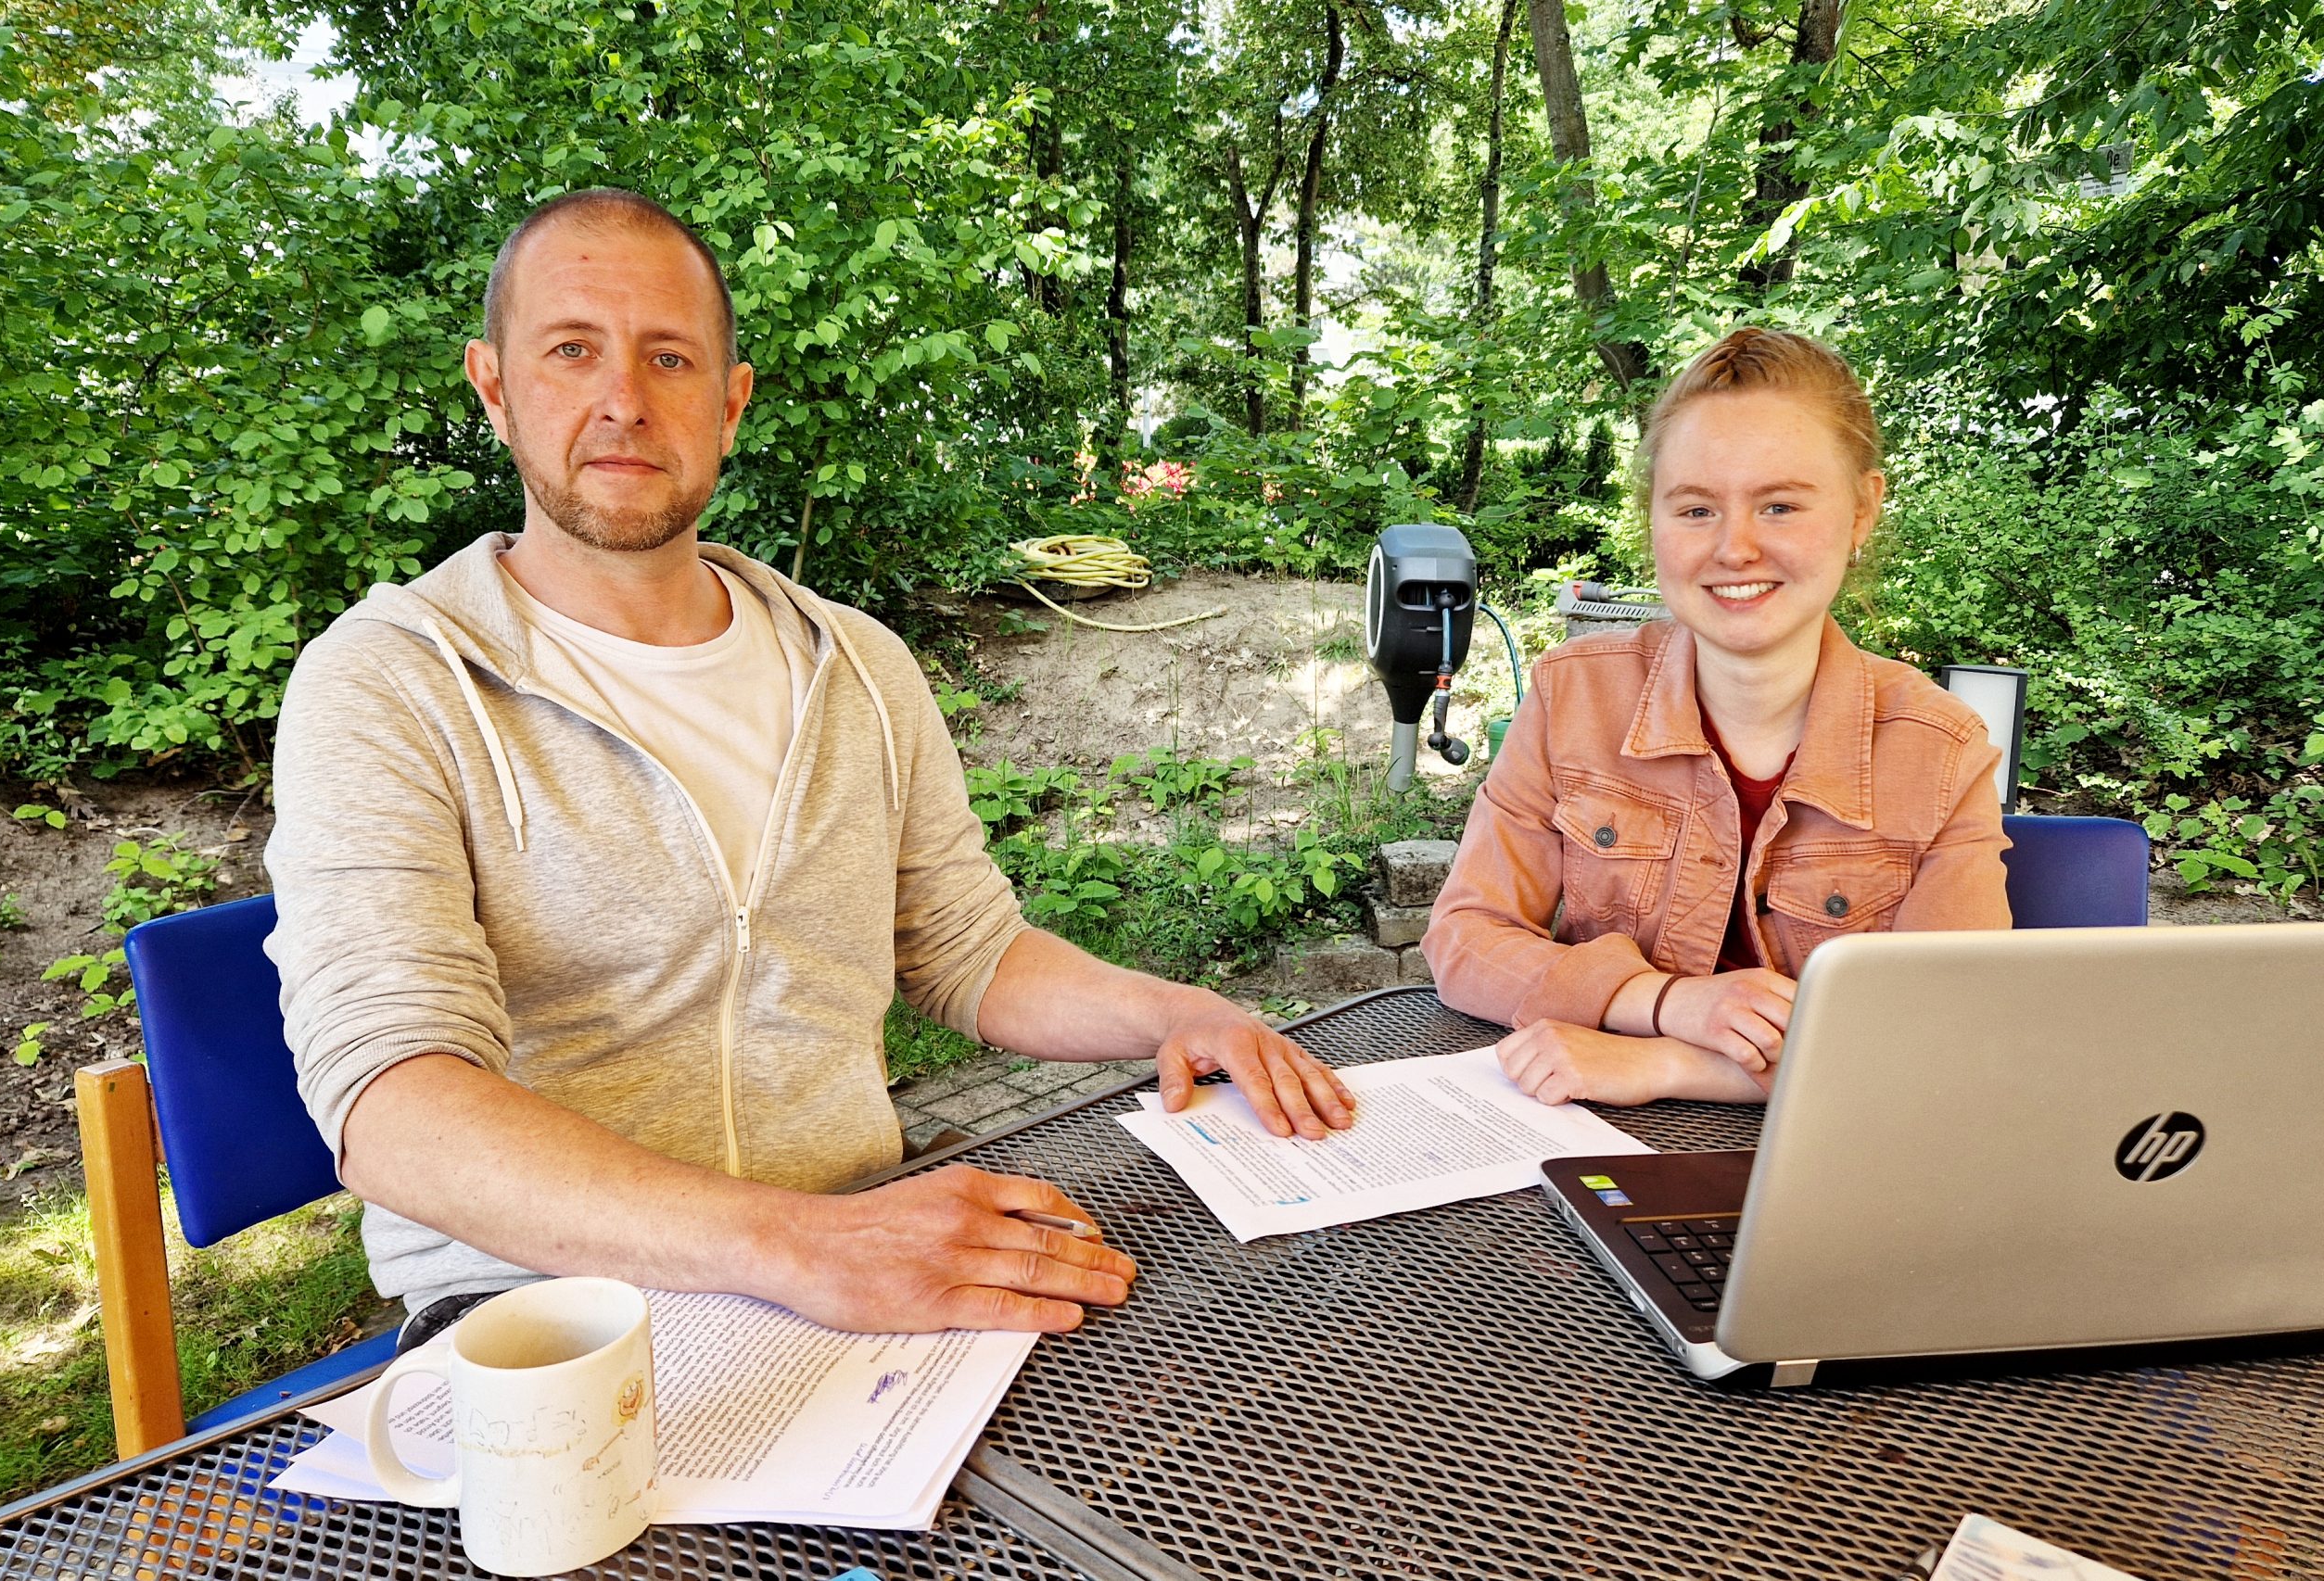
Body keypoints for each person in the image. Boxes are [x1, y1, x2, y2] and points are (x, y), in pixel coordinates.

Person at [265, 188, 1354, 1353]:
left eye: (669, 357)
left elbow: (965, 949)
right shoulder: (387, 681)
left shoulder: (860, 664)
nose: (623, 400)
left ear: (730, 402)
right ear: (493, 386)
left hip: (860, 1255)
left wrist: (1174, 1010)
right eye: (571, 349)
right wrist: (797, 1244)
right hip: (541, 1314)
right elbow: (395, 1104)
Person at [1421, 327, 2011, 1107]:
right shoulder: (1572, 697)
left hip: (1837, 1162)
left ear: (1863, 510)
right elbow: (1464, 940)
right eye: (1696, 508)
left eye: (1780, 504)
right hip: (1575, 1131)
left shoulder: (1941, 751)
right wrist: (1663, 1001)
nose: (1735, 548)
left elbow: (1948, 1036)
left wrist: (1670, 1065)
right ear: (1653, 521)